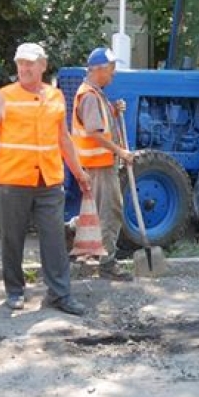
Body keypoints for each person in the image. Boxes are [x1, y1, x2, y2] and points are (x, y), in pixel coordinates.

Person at [0, 42, 91, 315]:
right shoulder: (4, 96)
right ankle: (14, 291)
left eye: (30, 63)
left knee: (55, 239)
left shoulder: (55, 97)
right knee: (13, 238)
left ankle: (60, 294)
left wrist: (79, 172)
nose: (24, 68)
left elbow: (64, 140)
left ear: (43, 66)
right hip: (14, 181)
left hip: (49, 181)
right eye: (20, 63)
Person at [71, 47, 134, 281]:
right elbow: (94, 133)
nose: (114, 74)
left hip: (98, 164)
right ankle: (107, 263)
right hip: (100, 165)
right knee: (110, 212)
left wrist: (115, 112)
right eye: (111, 69)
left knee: (98, 213)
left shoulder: (96, 94)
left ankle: (72, 235)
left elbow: (101, 126)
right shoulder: (89, 96)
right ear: (98, 70)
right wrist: (122, 152)